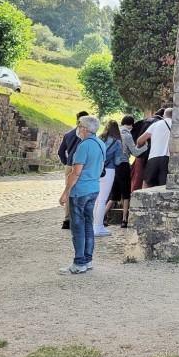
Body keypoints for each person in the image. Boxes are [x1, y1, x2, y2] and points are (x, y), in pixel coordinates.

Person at [58, 115, 104, 274]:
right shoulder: (100, 144)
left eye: (79, 126)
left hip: (80, 191)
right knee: (87, 224)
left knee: (77, 227)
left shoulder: (84, 146)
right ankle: (87, 259)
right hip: (93, 188)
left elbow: (75, 173)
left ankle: (79, 263)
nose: (78, 128)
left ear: (85, 128)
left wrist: (65, 192)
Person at [106, 115, 147, 228]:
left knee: (114, 195)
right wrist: (145, 147)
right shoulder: (127, 135)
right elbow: (135, 152)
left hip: (113, 166)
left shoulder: (114, 133)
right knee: (126, 194)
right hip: (123, 165)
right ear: (131, 125)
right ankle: (124, 219)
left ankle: (102, 216)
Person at [57, 111, 90, 229]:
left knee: (68, 190)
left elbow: (61, 152)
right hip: (82, 165)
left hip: (70, 165)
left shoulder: (68, 134)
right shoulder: (88, 134)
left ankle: (67, 219)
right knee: (82, 191)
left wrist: (67, 163)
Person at [93, 120, 123, 236]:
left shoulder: (99, 139)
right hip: (109, 170)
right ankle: (98, 226)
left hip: (96, 170)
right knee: (102, 200)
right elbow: (117, 160)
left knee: (95, 200)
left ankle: (91, 225)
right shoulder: (117, 142)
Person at [130, 107, 164, 193]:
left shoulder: (145, 121)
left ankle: (134, 199)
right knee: (147, 179)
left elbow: (138, 140)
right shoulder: (158, 123)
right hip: (150, 154)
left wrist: (139, 148)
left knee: (137, 178)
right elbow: (142, 139)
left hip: (140, 154)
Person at [137, 107, 172, 188]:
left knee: (147, 184)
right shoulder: (177, 126)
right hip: (168, 159)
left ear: (164, 115)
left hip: (153, 158)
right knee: (163, 187)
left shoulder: (156, 124)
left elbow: (140, 140)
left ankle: (143, 200)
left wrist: (141, 145)